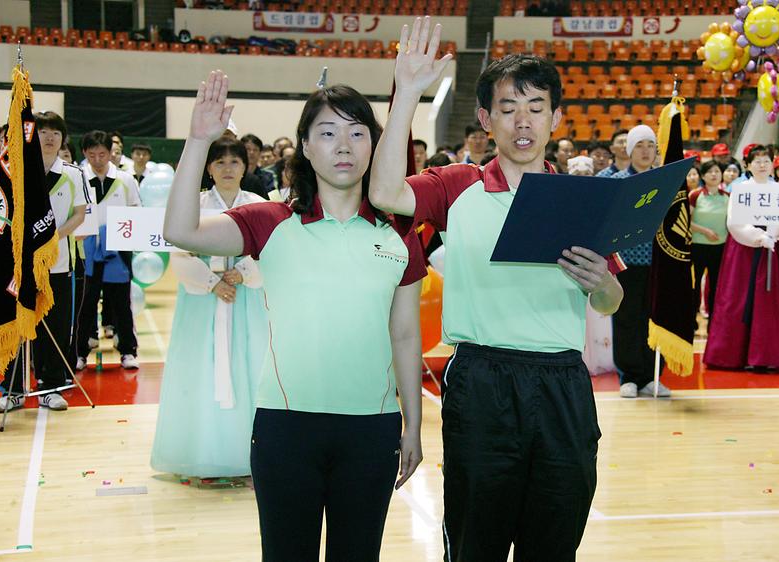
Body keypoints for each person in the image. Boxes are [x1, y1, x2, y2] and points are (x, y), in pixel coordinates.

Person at [369, 19, 624, 560]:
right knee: (474, 542)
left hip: (563, 383)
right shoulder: (458, 185)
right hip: (481, 382)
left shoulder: (581, 200)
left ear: (556, 117)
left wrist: (601, 283)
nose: (522, 121)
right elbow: (386, 191)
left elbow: (609, 301)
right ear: (486, 119)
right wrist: (408, 93)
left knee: (554, 542)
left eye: (536, 107)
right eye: (508, 109)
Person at [162, 71, 426, 561]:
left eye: (357, 132)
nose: (343, 145)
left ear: (374, 145)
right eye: (327, 132)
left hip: (372, 430)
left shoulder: (399, 234)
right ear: (305, 145)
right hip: (286, 428)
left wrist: (413, 422)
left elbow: (406, 335)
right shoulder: (271, 222)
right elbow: (180, 230)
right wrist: (198, 140)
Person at [151, 137, 268, 476]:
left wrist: (244, 272)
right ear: (208, 168)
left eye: (235, 162)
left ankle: (253, 454)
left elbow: (274, 250)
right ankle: (201, 452)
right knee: (200, 368)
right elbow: (179, 252)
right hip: (202, 303)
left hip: (247, 301)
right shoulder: (195, 205)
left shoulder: (258, 205)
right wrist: (212, 282)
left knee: (250, 366)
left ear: (245, 167)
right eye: (220, 162)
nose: (228, 169)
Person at [0, 111, 90, 413]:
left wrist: (52, 239)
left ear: (63, 139)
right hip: (16, 266)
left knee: (57, 326)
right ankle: (13, 390)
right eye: (43, 132)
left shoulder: (73, 173)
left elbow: (79, 215)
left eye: (55, 133)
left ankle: (51, 387)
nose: (49, 138)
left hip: (58, 265)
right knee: (15, 323)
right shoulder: (15, 171)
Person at [703, 146, 779, 370]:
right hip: (744, 250)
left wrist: (775, 233)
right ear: (747, 165)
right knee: (738, 298)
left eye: (766, 160)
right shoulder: (740, 190)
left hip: (774, 249)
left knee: (772, 300)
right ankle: (733, 355)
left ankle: (769, 355)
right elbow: (734, 222)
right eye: (757, 161)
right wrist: (758, 236)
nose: (762, 165)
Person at [607, 125, 670, 398]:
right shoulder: (618, 181)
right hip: (626, 263)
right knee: (627, 318)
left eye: (650, 145)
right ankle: (629, 376)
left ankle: (651, 375)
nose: (645, 151)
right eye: (640, 146)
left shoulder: (665, 181)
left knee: (654, 319)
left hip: (659, 264)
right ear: (630, 150)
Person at [76, 131, 142, 371]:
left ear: (111, 153)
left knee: (121, 304)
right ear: (85, 153)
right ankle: (79, 352)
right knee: (85, 304)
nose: (97, 160)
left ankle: (128, 351)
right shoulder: (79, 178)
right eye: (92, 154)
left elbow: (136, 210)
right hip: (87, 250)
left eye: (102, 154)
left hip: (118, 251)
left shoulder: (125, 180)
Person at [689, 161, 728, 325]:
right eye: (709, 172)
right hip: (697, 247)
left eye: (717, 171)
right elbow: (686, 221)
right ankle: (691, 320)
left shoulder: (727, 197)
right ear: (703, 176)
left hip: (720, 248)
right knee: (694, 284)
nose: (714, 174)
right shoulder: (695, 195)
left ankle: (714, 323)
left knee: (716, 286)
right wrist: (705, 231)